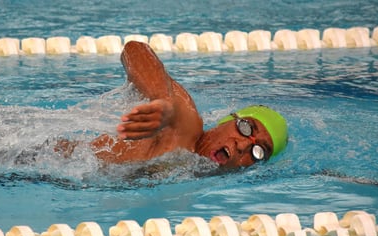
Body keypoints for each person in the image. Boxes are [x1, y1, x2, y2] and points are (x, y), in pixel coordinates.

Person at [61, 41, 288, 169]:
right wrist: (164, 102)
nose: (242, 146)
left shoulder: (199, 177)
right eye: (246, 128)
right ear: (227, 120)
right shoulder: (185, 127)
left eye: (259, 152)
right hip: (49, 163)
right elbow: (134, 50)